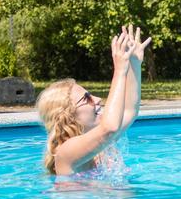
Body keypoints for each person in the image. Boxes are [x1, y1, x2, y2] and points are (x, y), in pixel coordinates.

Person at [36, 25, 151, 176]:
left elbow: (129, 110)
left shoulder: (98, 146)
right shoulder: (65, 153)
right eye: (87, 98)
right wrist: (120, 70)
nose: (97, 99)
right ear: (68, 116)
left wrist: (134, 63)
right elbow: (110, 128)